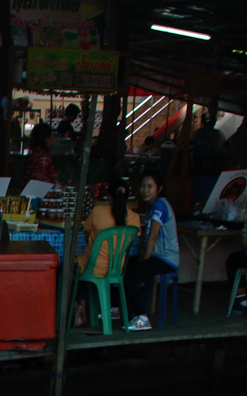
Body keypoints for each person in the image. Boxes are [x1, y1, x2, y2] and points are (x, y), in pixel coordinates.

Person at [73, 179, 140, 328]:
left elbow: (86, 235)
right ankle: (83, 305)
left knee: (71, 270)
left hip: (94, 266)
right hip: (117, 269)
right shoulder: (135, 218)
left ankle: (80, 304)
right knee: (82, 268)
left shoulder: (97, 212)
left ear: (108, 197)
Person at [125, 169, 179, 330]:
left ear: (159, 188)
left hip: (166, 259)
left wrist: (144, 260)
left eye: (150, 186)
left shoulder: (159, 205)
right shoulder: (152, 206)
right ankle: (122, 310)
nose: (145, 190)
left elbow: (153, 237)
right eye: (143, 186)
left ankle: (142, 317)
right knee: (124, 265)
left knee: (129, 274)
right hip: (158, 256)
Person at [26, 122, 59, 186]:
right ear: (46, 138)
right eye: (51, 135)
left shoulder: (34, 153)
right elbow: (37, 179)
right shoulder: (44, 157)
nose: (53, 138)